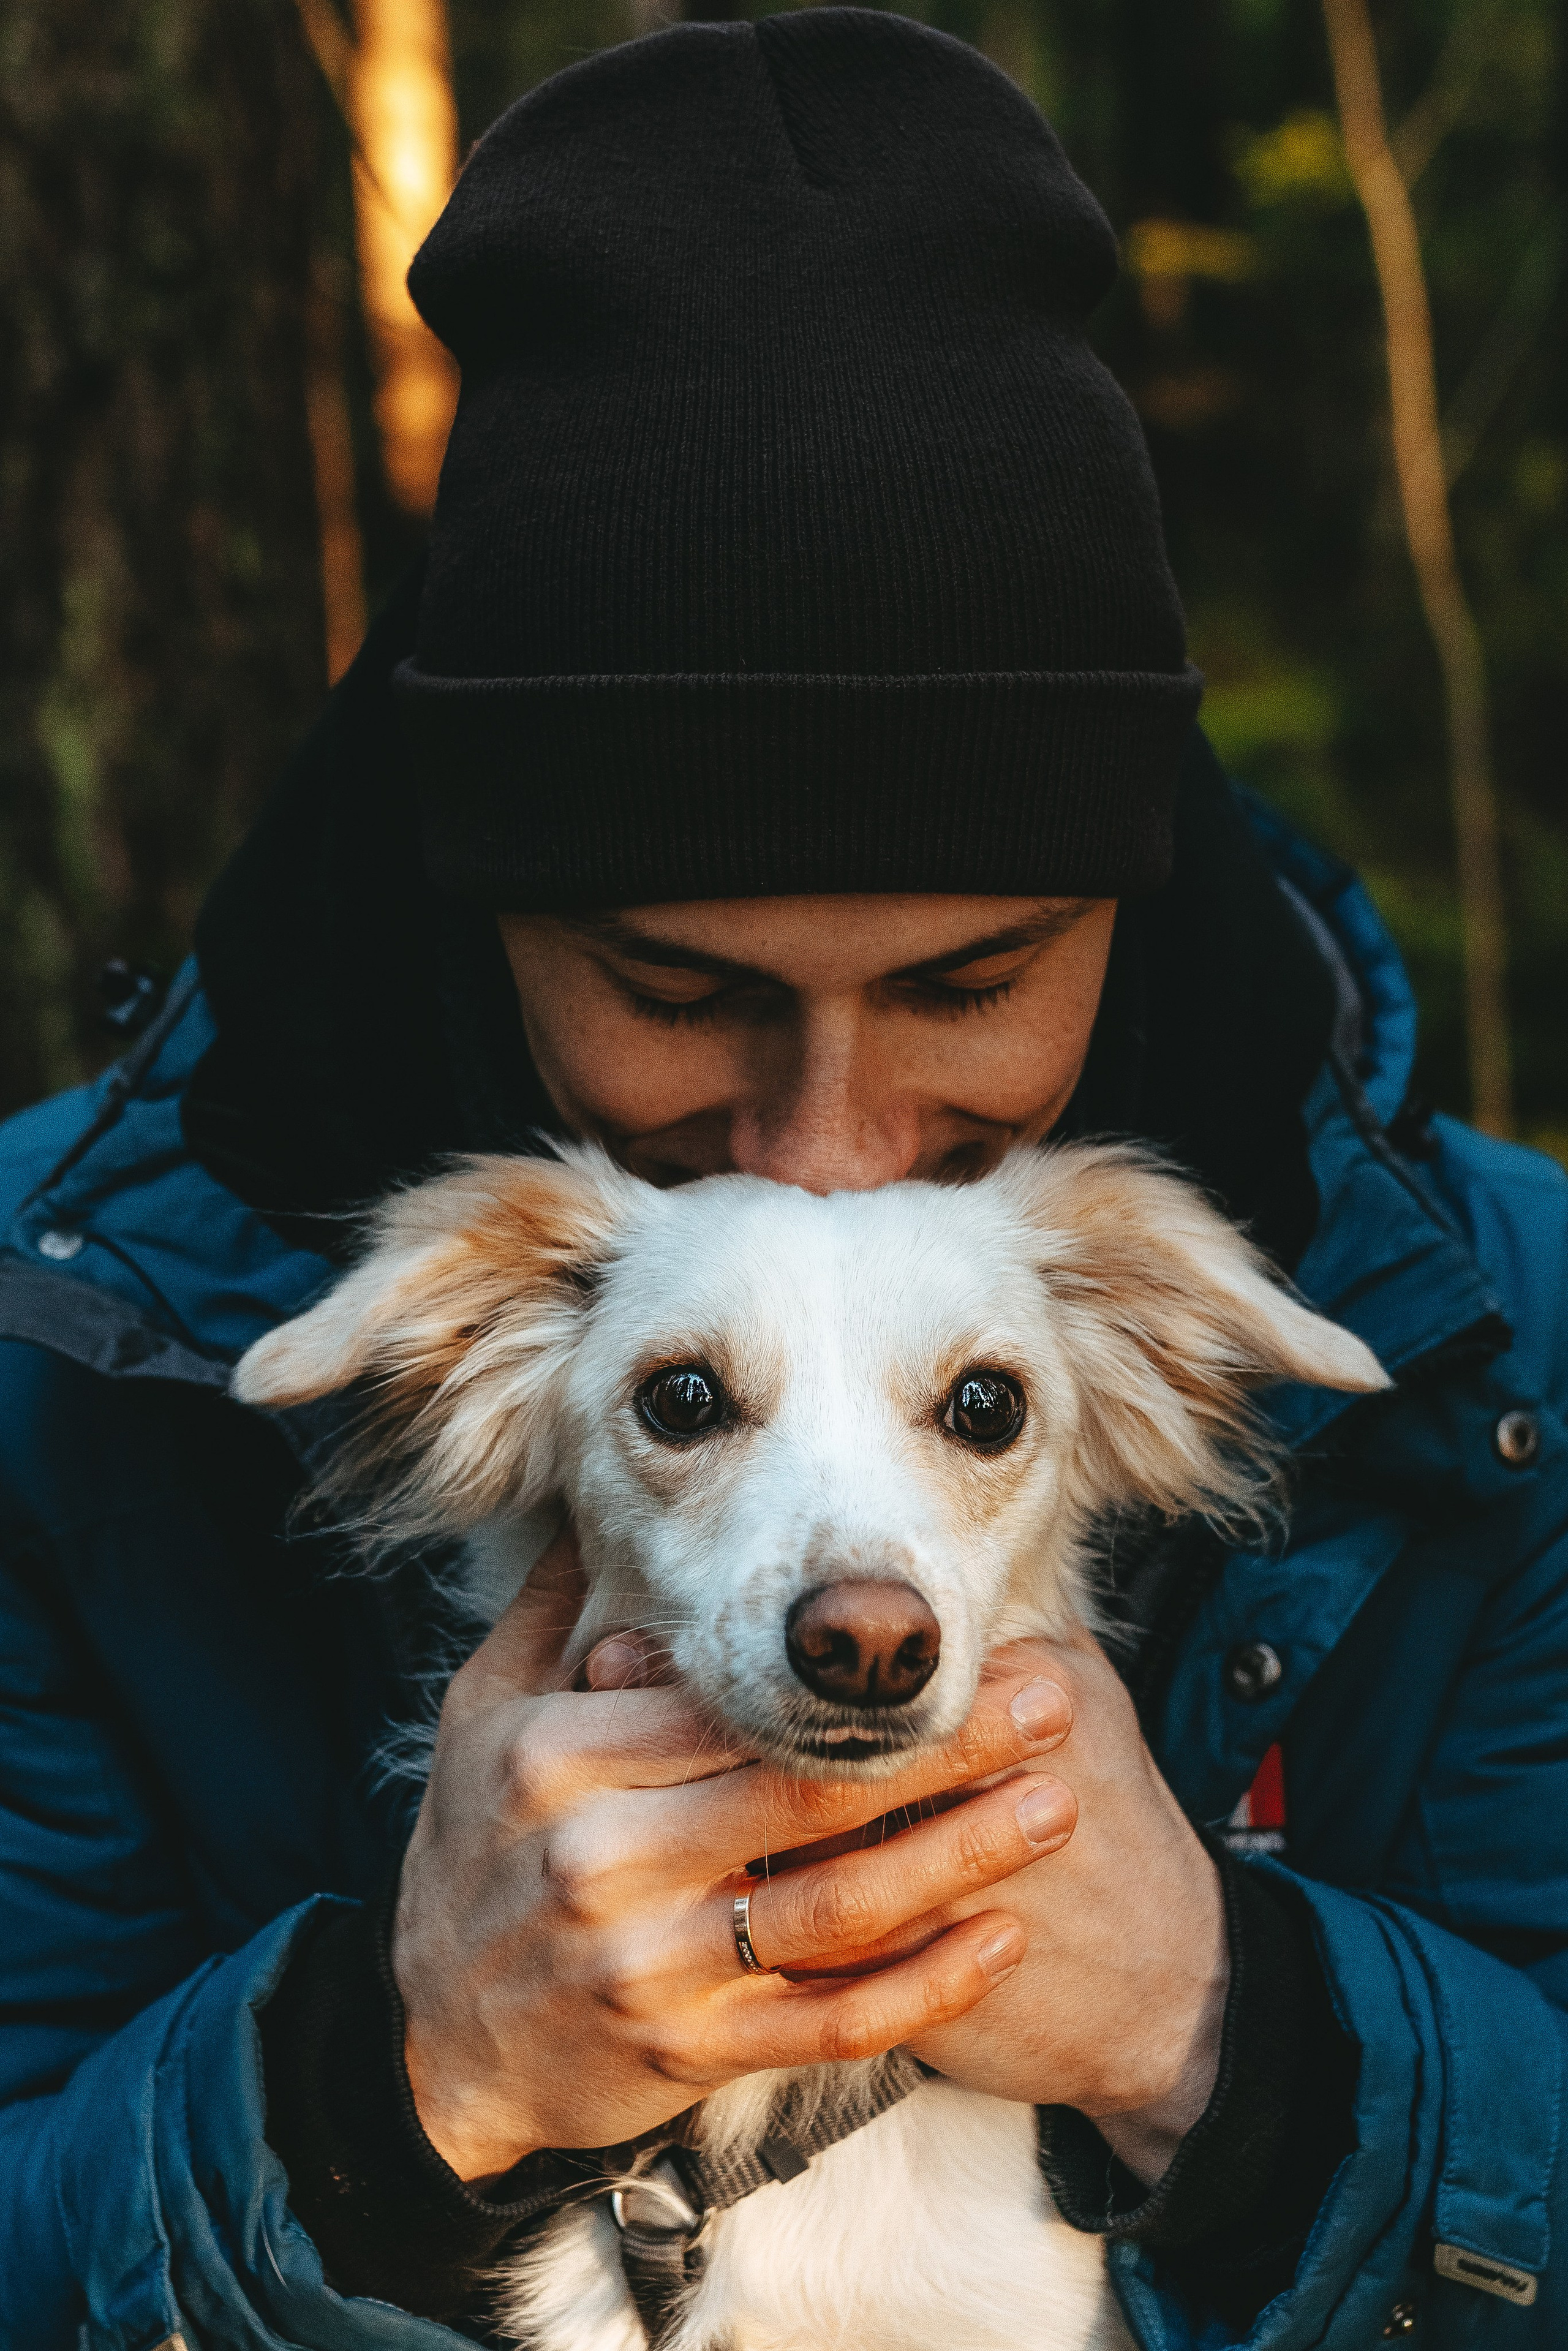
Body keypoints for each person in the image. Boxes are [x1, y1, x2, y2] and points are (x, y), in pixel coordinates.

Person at [1, 12, 1566, 2347]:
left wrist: (1228, 2034)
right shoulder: (58, 1351)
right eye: (675, 984)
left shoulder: (1512, 1359)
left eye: (967, 983)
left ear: (1122, 901)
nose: (823, 1145)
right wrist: (383, 2086)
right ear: (487, 900)